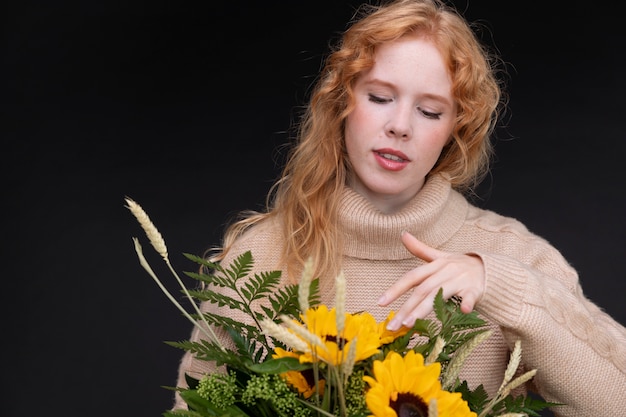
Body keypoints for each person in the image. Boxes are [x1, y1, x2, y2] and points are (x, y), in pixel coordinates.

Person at [174, 0, 626, 415]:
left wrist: (505, 290)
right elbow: (194, 407)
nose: (400, 126)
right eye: (380, 97)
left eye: (430, 112)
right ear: (341, 103)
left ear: (456, 129)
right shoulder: (262, 256)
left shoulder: (518, 257)